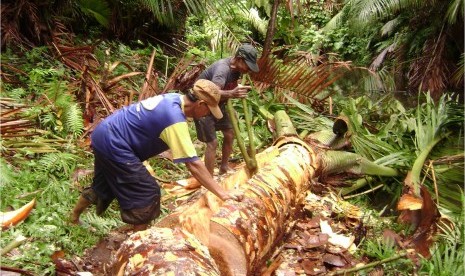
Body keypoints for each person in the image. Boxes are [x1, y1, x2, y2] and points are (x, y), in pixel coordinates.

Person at [70, 79, 244, 231]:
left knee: (105, 181)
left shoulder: (173, 98)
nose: (208, 115)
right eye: (208, 110)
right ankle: (136, 238)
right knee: (147, 191)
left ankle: (73, 219)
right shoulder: (174, 119)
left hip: (104, 133)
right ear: (200, 104)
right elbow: (193, 164)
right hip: (115, 143)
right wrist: (223, 193)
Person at [195, 44, 259, 176]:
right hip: (202, 106)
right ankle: (209, 179)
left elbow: (226, 90)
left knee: (230, 133)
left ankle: (223, 167)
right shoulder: (222, 69)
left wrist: (236, 90)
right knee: (212, 143)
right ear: (239, 59)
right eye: (247, 65)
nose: (248, 69)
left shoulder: (236, 70)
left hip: (217, 106)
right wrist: (231, 94)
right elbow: (212, 93)